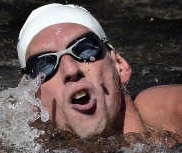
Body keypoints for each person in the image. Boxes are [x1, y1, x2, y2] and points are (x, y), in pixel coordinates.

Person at [16, 3, 182, 138]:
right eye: (44, 64)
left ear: (120, 66)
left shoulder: (170, 114)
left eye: (84, 49)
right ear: (32, 97)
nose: (71, 70)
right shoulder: (28, 150)